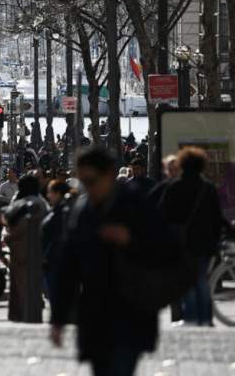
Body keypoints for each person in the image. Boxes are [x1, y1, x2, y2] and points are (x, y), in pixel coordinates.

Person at [51, 147, 177, 376]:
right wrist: (58, 318)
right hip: (95, 315)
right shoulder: (82, 211)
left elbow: (166, 250)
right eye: (83, 182)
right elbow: (67, 266)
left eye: (91, 180)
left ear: (109, 174)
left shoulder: (136, 205)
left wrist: (131, 240)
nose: (87, 188)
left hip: (131, 312)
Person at [157, 147, 223, 326]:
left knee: (187, 282)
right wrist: (215, 241)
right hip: (204, 242)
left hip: (181, 243)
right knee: (201, 280)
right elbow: (217, 217)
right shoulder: (207, 188)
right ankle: (205, 319)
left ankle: (192, 318)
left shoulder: (174, 187)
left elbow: (162, 216)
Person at [4, 174, 48, 322]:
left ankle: (25, 313)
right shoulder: (40, 203)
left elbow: (16, 227)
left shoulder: (24, 203)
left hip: (20, 250)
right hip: (35, 250)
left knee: (22, 285)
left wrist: (7, 237)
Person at [41, 179, 72, 304]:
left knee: (57, 298)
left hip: (55, 261)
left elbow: (57, 237)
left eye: (50, 192)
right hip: (52, 260)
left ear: (58, 194)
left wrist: (46, 255)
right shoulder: (58, 209)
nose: (48, 195)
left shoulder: (62, 211)